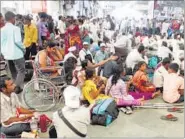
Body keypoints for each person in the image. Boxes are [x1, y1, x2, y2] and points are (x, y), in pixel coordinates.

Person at [1, 11, 25, 94]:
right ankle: (16, 88)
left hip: (7, 55)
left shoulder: (2, 30)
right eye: (14, 18)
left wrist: (2, 54)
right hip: (17, 54)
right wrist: (23, 49)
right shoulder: (16, 29)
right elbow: (18, 41)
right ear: (12, 18)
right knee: (21, 71)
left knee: (13, 72)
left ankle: (14, 87)